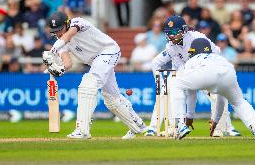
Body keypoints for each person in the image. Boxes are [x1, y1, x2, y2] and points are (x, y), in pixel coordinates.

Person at [42, 11, 146, 139]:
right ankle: (137, 125)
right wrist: (59, 69)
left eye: (60, 29)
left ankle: (82, 130)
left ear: (67, 23)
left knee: (88, 85)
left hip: (108, 51)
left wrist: (52, 50)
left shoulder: (78, 22)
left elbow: (68, 35)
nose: (58, 34)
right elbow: (67, 63)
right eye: (55, 32)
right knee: (112, 99)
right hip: (97, 61)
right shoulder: (60, 41)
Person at [144, 15, 240, 138]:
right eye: (169, 33)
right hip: (185, 72)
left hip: (204, 71)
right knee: (166, 91)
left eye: (174, 32)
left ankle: (223, 128)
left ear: (184, 30)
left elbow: (216, 51)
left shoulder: (198, 37)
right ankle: (172, 127)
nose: (171, 36)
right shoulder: (170, 46)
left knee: (218, 95)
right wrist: (162, 83)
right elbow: (160, 64)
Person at [173, 38, 255, 140]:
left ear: (195, 51)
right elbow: (221, 100)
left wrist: (189, 117)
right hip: (228, 71)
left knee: (176, 84)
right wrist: (215, 121)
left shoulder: (193, 60)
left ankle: (180, 124)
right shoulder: (218, 58)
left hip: (205, 71)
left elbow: (191, 93)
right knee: (239, 102)